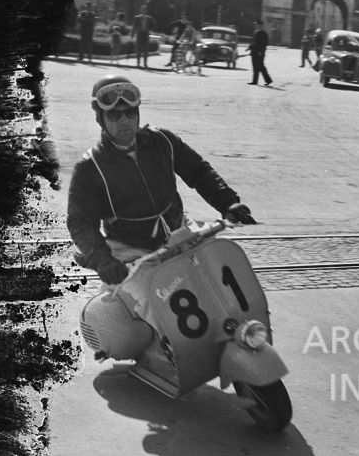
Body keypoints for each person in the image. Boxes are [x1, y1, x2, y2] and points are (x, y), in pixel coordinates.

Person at [67, 75, 256, 287]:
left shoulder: (162, 141)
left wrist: (227, 202)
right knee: (142, 308)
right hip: (130, 252)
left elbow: (197, 170)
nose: (124, 120)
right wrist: (102, 260)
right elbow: (80, 222)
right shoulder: (89, 167)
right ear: (99, 118)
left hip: (180, 234)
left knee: (220, 280)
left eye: (130, 112)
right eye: (114, 115)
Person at [248, 20, 272, 86]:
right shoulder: (255, 32)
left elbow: (265, 44)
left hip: (260, 54)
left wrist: (261, 51)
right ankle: (255, 81)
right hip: (254, 52)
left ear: (260, 25)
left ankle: (268, 80)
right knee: (255, 67)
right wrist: (249, 48)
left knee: (261, 67)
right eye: (255, 25)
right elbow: (253, 42)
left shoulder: (264, 34)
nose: (256, 26)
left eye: (257, 25)